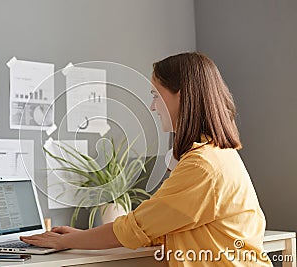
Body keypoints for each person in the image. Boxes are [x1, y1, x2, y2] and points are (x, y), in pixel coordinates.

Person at [20, 52, 272, 266]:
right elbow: (160, 224)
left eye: (155, 94)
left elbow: (135, 228)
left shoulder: (201, 166)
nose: (153, 106)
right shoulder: (217, 155)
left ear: (180, 97)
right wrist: (83, 236)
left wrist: (66, 241)